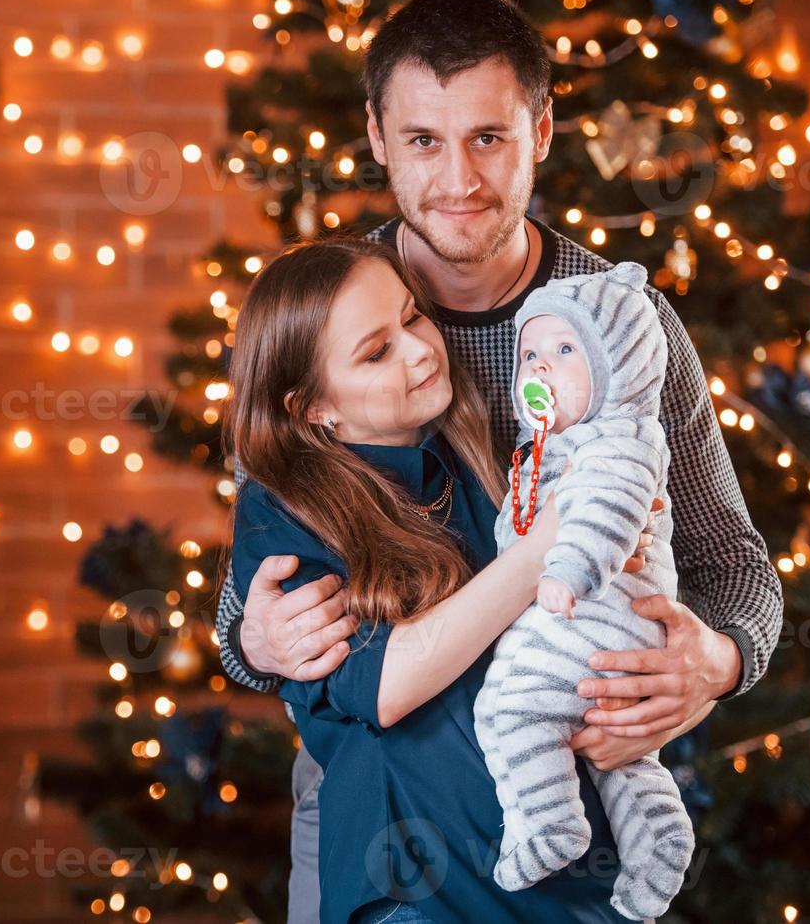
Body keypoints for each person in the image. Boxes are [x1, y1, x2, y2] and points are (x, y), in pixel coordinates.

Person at [213, 0, 783, 922]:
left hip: (571, 799)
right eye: (424, 141)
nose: (459, 181)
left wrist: (713, 665)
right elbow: (261, 576)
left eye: (489, 137)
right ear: (377, 137)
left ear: (544, 129)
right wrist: (253, 638)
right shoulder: (329, 316)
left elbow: (733, 562)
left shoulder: (623, 319)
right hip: (386, 810)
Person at [228, 237, 644, 923]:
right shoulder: (283, 511)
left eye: (413, 317)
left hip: (559, 886)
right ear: (312, 408)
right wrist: (543, 552)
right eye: (376, 352)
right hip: (415, 893)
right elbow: (383, 685)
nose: (420, 350)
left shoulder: (476, 452)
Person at [473, 263, 694, 922]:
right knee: (620, 754)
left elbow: (611, 507)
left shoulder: (617, 439)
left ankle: (548, 825)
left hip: (595, 603)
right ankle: (659, 840)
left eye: (567, 352)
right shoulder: (553, 445)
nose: (542, 367)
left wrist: (568, 570)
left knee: (511, 707)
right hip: (607, 621)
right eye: (533, 353)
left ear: (619, 367)